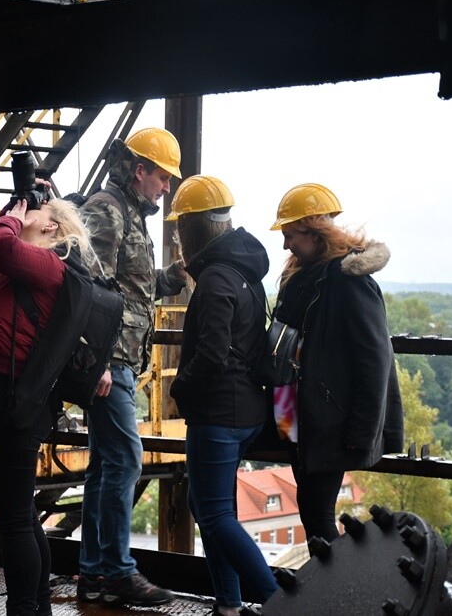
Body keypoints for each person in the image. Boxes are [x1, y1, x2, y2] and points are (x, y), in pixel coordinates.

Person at [0, 196, 94, 616]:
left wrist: (7, 219)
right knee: (20, 513)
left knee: (14, 517)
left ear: (51, 228)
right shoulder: (23, 265)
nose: (22, 213)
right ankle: (39, 606)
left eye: (35, 211)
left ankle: (23, 609)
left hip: (9, 399)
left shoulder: (50, 265)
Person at [76, 127, 187, 607]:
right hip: (110, 360)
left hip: (121, 360)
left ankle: (94, 575)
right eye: (162, 177)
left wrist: (172, 277)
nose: (166, 188)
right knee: (126, 459)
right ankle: (117, 572)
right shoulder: (107, 209)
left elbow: (132, 285)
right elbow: (88, 287)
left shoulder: (130, 214)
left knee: (105, 465)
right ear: (140, 170)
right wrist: (95, 360)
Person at [166, 176, 279, 616]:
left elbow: (211, 355)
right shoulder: (244, 273)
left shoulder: (214, 279)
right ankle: (228, 604)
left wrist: (180, 388)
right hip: (246, 408)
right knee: (208, 507)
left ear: (191, 230)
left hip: (219, 413)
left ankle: (277, 602)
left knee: (213, 515)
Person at [269, 182, 404, 544]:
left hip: (324, 417)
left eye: (291, 235)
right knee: (310, 505)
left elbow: (374, 359)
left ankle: (330, 594)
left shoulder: (347, 282)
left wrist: (361, 432)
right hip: (293, 408)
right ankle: (325, 593)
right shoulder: (305, 276)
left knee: (317, 513)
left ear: (316, 232)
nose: (286, 245)